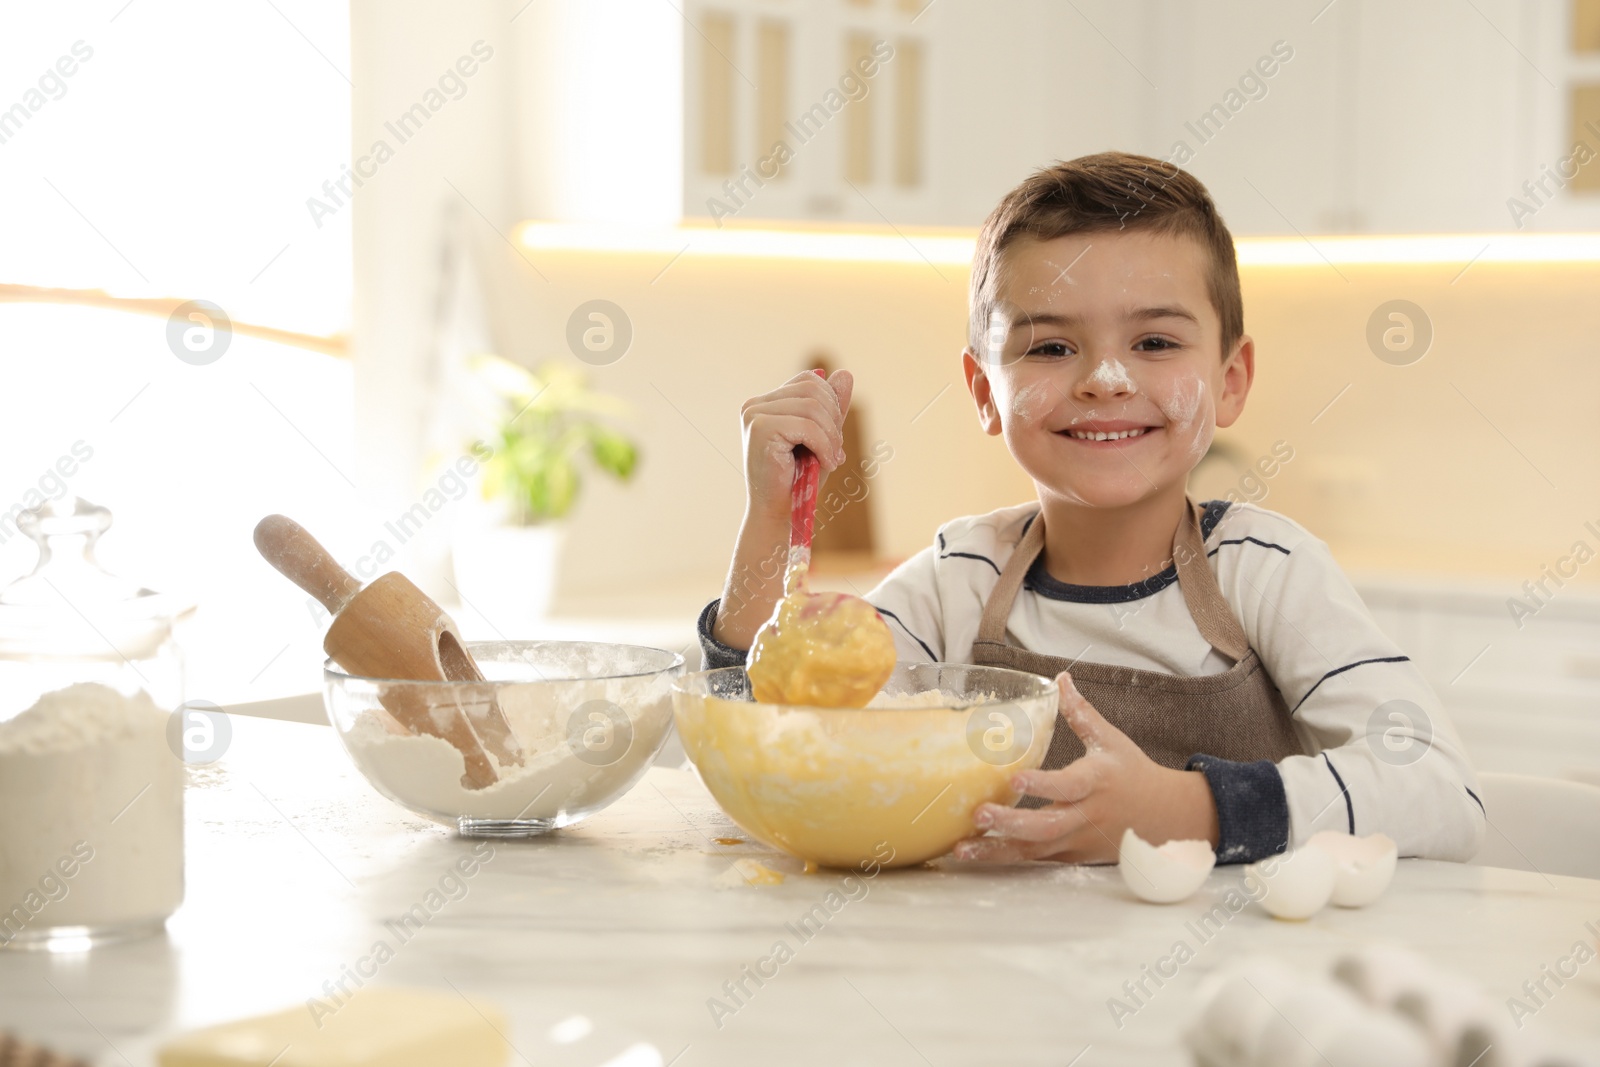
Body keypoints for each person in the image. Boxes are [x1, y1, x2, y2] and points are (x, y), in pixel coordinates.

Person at [695, 151, 1484, 866]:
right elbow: (784, 741)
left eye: (1154, 343)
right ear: (984, 393)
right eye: (1050, 347)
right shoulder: (957, 579)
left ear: (1232, 379)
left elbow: (1443, 788)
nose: (1105, 378)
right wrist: (770, 519)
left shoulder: (1264, 572)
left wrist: (1191, 811)